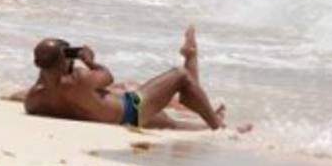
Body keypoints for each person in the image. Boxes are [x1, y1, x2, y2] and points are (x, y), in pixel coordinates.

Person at [23, 27, 226, 131]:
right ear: (65, 59)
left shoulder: (33, 100)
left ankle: (205, 115)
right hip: (132, 110)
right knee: (180, 75)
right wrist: (90, 62)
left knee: (176, 126)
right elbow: (107, 76)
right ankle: (216, 124)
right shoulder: (79, 79)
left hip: (118, 120)